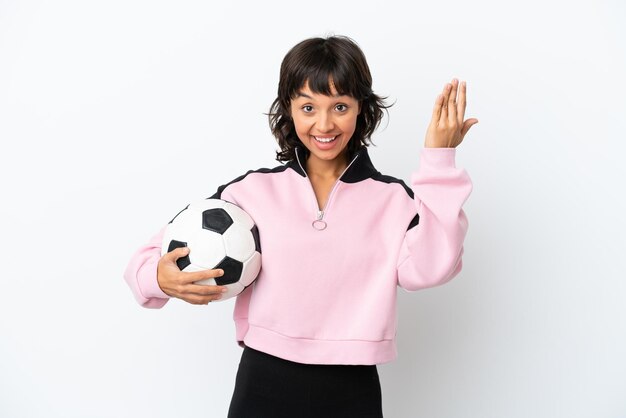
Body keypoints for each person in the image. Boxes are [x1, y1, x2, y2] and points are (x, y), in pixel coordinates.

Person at [123, 34, 478, 417]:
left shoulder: (393, 200)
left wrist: (439, 160)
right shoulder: (249, 192)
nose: (323, 123)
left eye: (339, 106)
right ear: (288, 109)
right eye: (308, 107)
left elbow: (431, 267)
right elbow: (147, 259)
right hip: (264, 380)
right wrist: (160, 279)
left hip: (352, 387)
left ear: (361, 108)